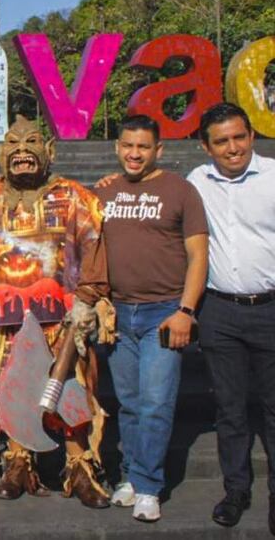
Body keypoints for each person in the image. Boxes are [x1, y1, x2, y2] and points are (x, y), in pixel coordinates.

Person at [0, 115, 111, 508]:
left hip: (63, 317)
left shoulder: (76, 196)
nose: (22, 151)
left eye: (31, 143)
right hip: (5, 321)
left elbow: (95, 247)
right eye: (13, 144)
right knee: (11, 385)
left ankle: (79, 465)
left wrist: (88, 300)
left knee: (71, 386)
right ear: (1, 154)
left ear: (49, 151)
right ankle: (18, 460)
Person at [94, 114, 208, 523]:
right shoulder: (104, 192)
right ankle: (130, 476)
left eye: (143, 146)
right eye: (128, 145)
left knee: (157, 402)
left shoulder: (181, 191)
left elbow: (199, 256)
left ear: (158, 150)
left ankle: (148, 485)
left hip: (164, 312)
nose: (134, 153)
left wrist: (186, 311)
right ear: (117, 147)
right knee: (128, 403)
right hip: (119, 313)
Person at [185, 103, 275, 532]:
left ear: (251, 136)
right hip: (219, 310)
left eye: (239, 137)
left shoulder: (274, 177)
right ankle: (236, 490)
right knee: (231, 408)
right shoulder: (196, 182)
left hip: (271, 307)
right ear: (206, 147)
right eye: (221, 141)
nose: (232, 147)